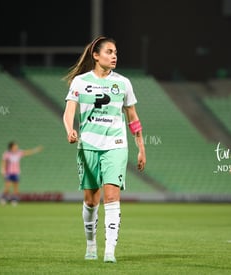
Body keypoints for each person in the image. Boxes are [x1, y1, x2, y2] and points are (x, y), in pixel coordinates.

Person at [63, 36, 146, 263]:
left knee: (111, 196)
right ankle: (91, 245)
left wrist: (141, 148)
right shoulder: (80, 82)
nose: (114, 56)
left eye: (116, 52)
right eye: (109, 52)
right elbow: (69, 111)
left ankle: (110, 250)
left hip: (116, 146)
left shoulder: (124, 83)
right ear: (96, 55)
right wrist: (69, 129)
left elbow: (133, 119)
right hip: (88, 145)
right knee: (91, 200)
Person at [0, 141, 43, 206]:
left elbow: (28, 152)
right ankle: (3, 198)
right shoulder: (7, 154)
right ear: (11, 147)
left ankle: (14, 200)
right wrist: (2, 170)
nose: (16, 147)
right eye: (15, 146)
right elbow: (3, 162)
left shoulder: (19, 153)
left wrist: (36, 150)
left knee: (15, 187)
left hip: (16, 172)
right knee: (7, 186)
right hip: (8, 172)